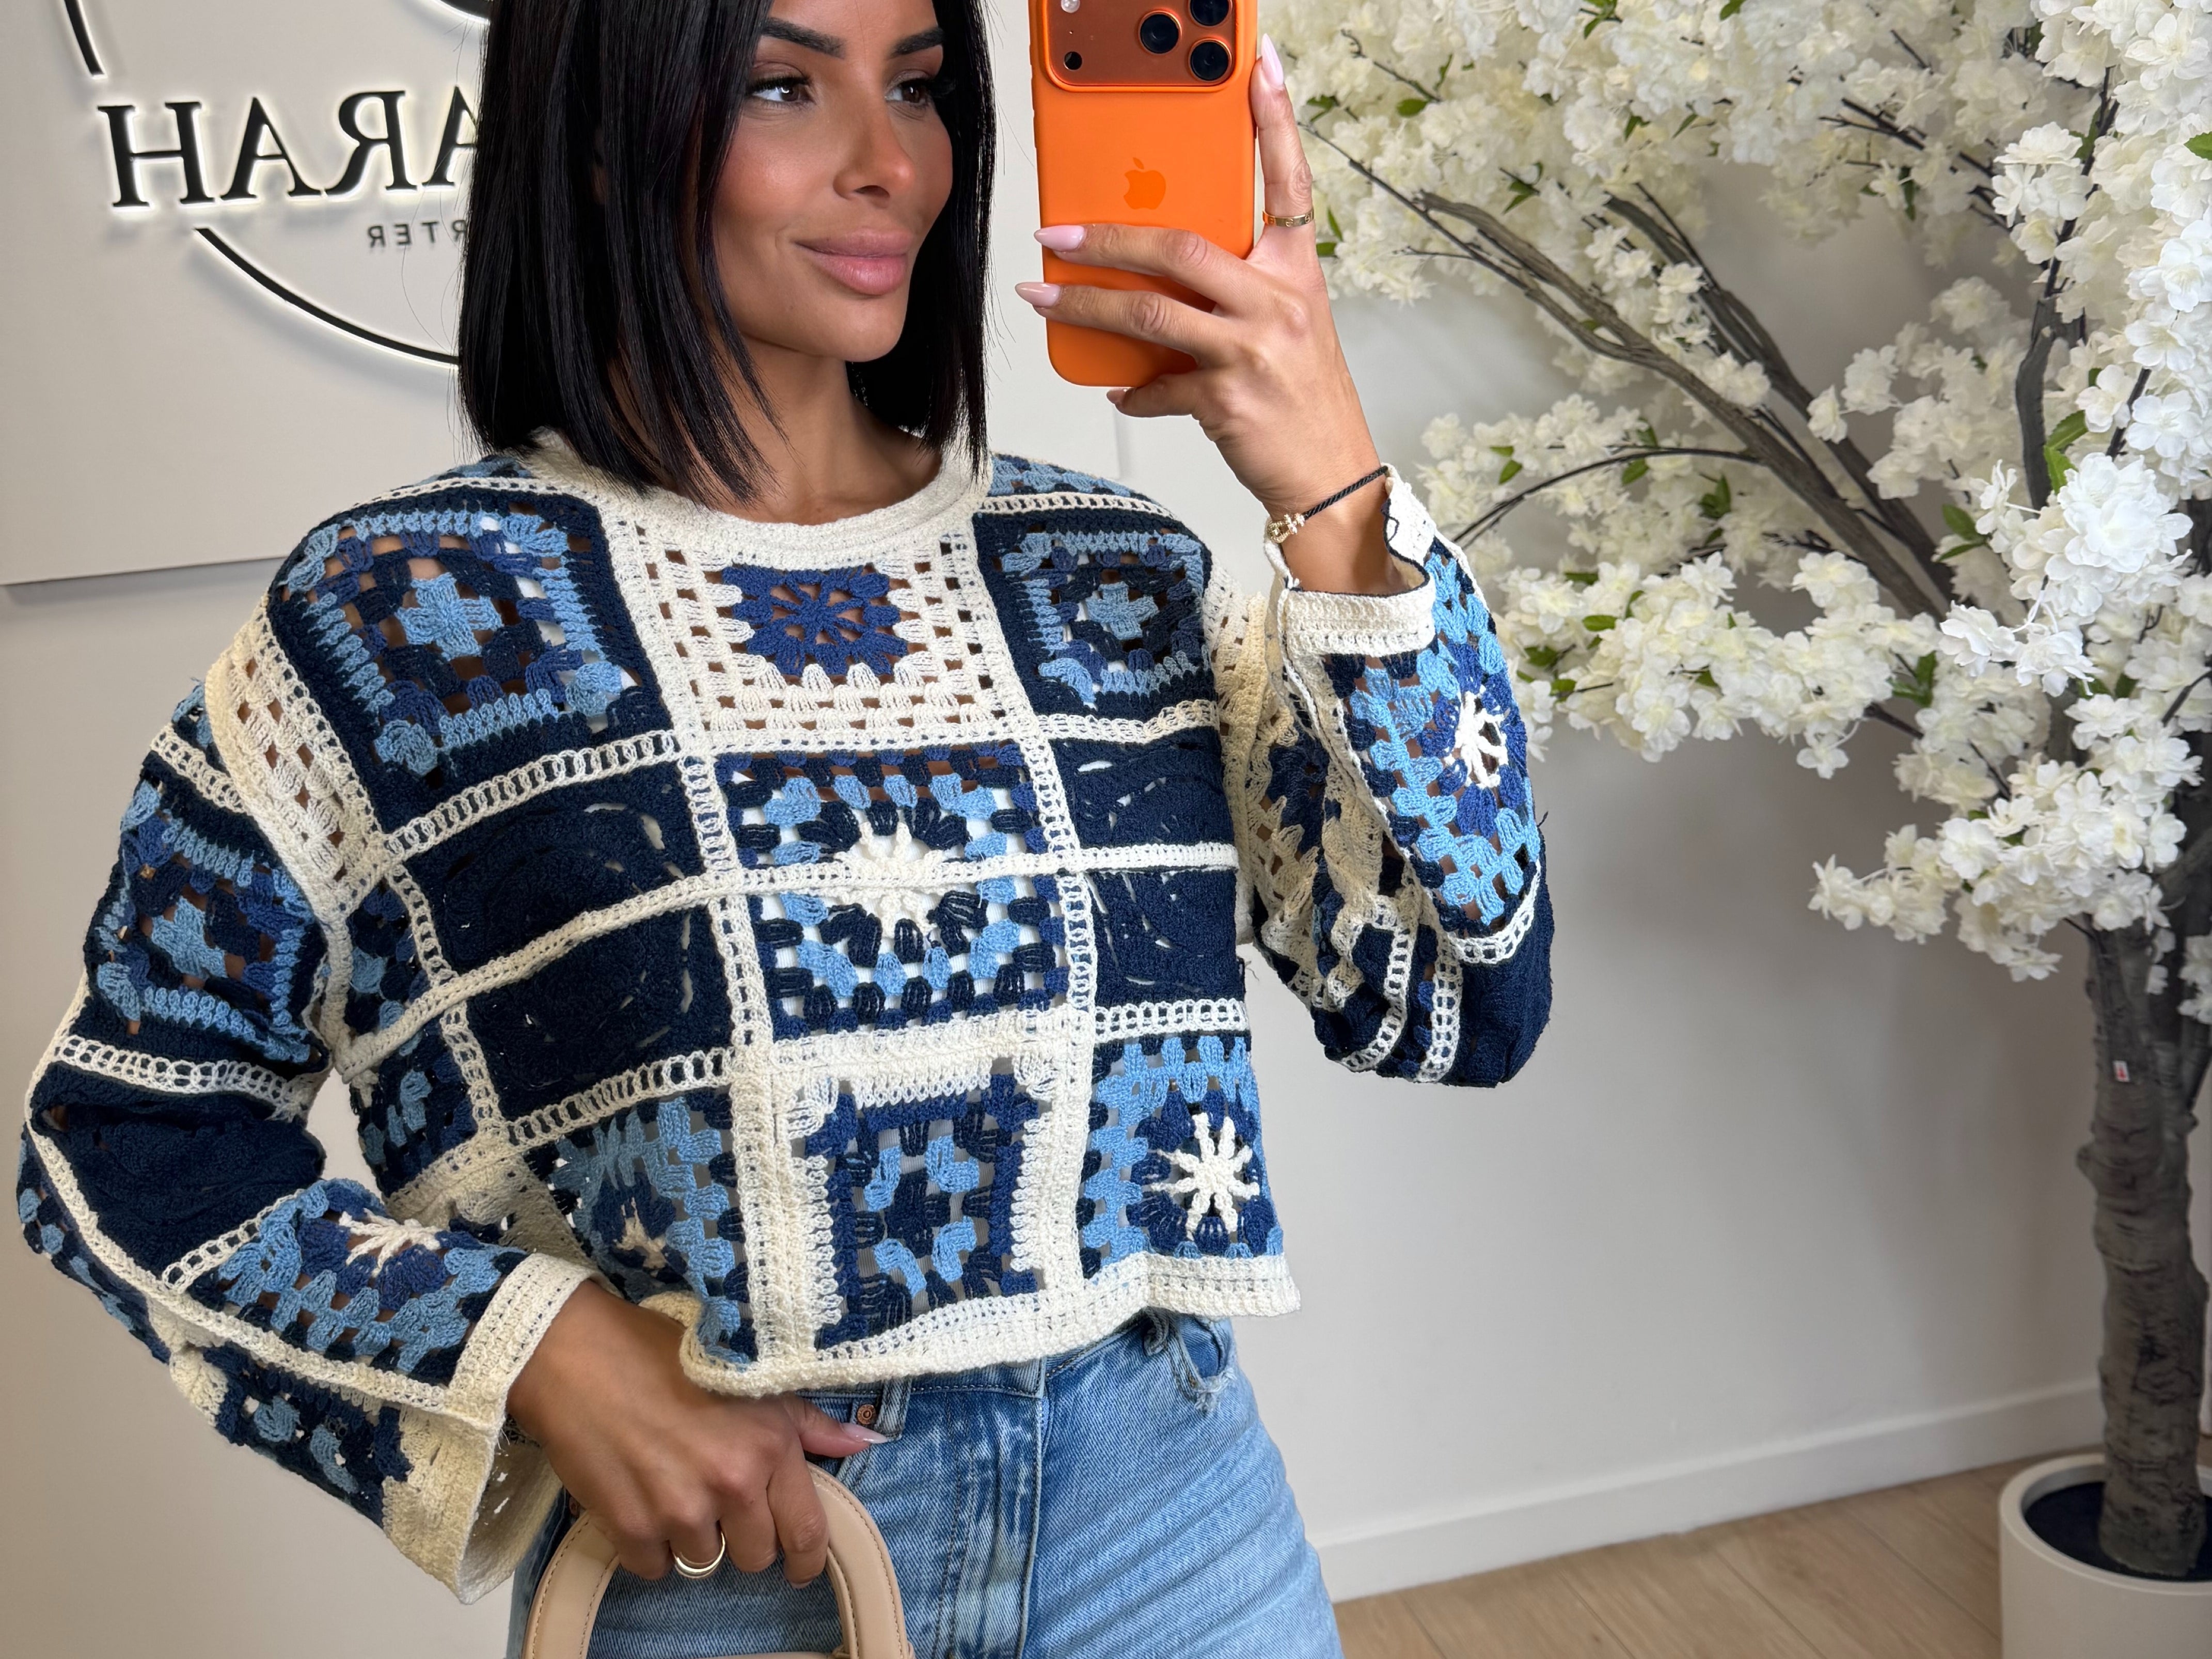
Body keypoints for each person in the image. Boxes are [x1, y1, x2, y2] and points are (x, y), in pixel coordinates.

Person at [13, 2, 1552, 1654]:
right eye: (780, 86)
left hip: (1168, 1523)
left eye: (920, 87)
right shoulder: (407, 617)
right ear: (599, 135)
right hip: (731, 1568)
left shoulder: (1107, 567)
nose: (889, 163)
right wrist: (532, 1349)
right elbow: (127, 1130)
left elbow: (1461, 1002)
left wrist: (1333, 490)